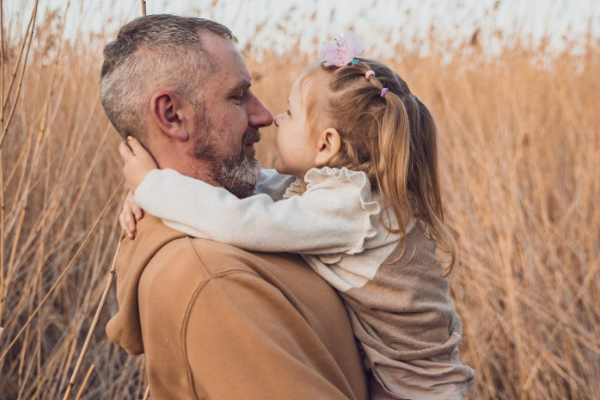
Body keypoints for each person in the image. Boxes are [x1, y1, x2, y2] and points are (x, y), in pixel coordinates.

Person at [119, 31, 476, 400]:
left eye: (290, 113)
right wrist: (155, 190)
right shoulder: (338, 191)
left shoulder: (348, 207)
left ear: (326, 144)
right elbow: (261, 188)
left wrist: (152, 186)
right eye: (238, 96)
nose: (273, 118)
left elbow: (243, 220)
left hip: (420, 389)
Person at [101, 15, 368, 400]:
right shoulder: (212, 280)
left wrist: (155, 189)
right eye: (237, 96)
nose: (263, 115)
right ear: (173, 115)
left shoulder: (234, 216)